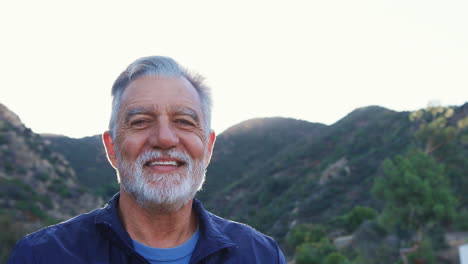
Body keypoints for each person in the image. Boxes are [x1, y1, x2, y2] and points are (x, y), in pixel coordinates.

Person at [8, 56, 286, 263]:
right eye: (140, 121)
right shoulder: (41, 255)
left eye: (184, 121)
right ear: (112, 148)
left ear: (208, 147)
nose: (165, 138)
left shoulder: (261, 255)